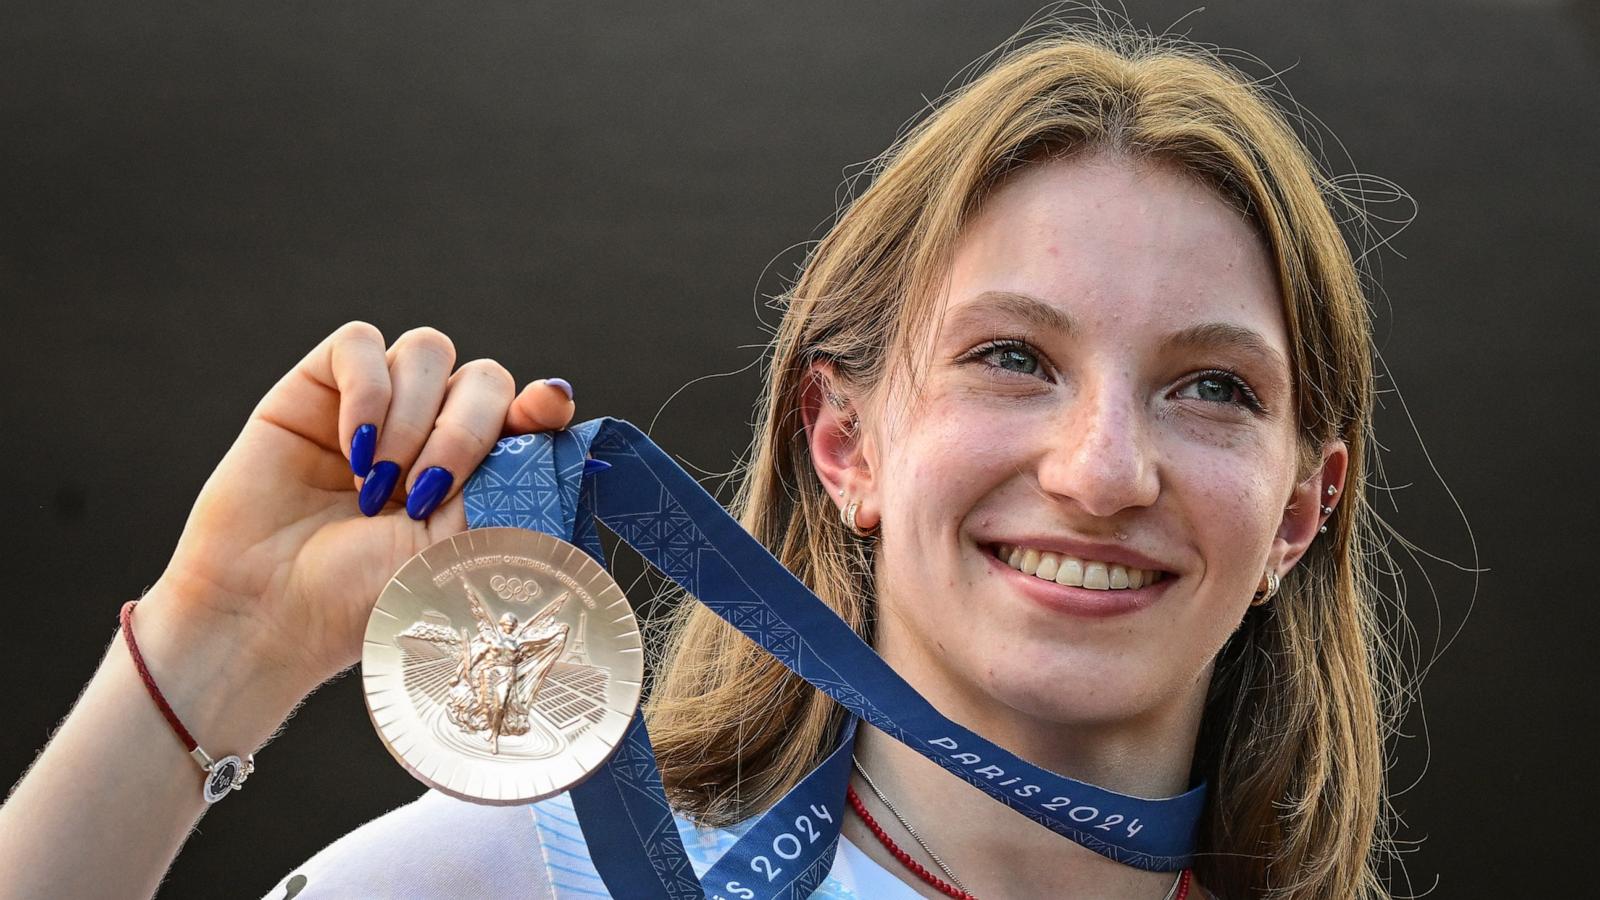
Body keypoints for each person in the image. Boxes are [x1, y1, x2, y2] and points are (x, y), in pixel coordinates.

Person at [0, 15, 1405, 900]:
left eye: (1210, 386)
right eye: (1012, 358)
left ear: (1299, 511)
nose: (1103, 470)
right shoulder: (515, 880)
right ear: (843, 441)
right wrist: (213, 656)